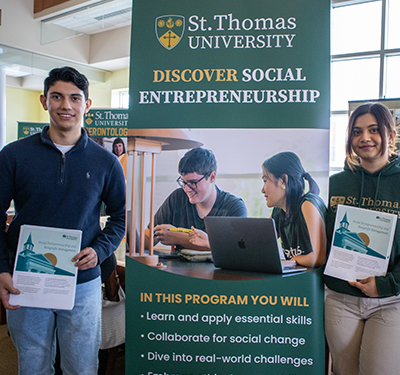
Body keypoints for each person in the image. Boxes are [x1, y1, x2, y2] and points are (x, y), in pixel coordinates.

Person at [0, 66, 126, 375]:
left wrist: (99, 250)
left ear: (87, 104)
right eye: (57, 97)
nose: (65, 106)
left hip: (81, 283)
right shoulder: (14, 156)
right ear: (45, 101)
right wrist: (2, 268)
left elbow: (119, 219)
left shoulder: (106, 162)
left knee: (81, 367)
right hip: (26, 282)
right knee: (33, 365)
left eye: (74, 98)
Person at [324, 102, 400, 375]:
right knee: (344, 372)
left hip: (390, 300)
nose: (364, 138)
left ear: (390, 135)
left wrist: (387, 284)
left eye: (373, 130)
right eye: (356, 132)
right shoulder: (333, 184)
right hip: (340, 297)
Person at [145, 147, 247, 251]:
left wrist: (178, 238)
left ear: (212, 177)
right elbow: (147, 238)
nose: (187, 189)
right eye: (184, 182)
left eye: (193, 182)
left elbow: (235, 251)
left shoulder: (234, 207)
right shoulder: (177, 198)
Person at [262, 151, 327, 267]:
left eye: (265, 180)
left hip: (313, 282)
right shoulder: (278, 212)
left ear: (283, 180)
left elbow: (317, 258)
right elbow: (259, 247)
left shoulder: (307, 205)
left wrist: (292, 260)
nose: (263, 189)